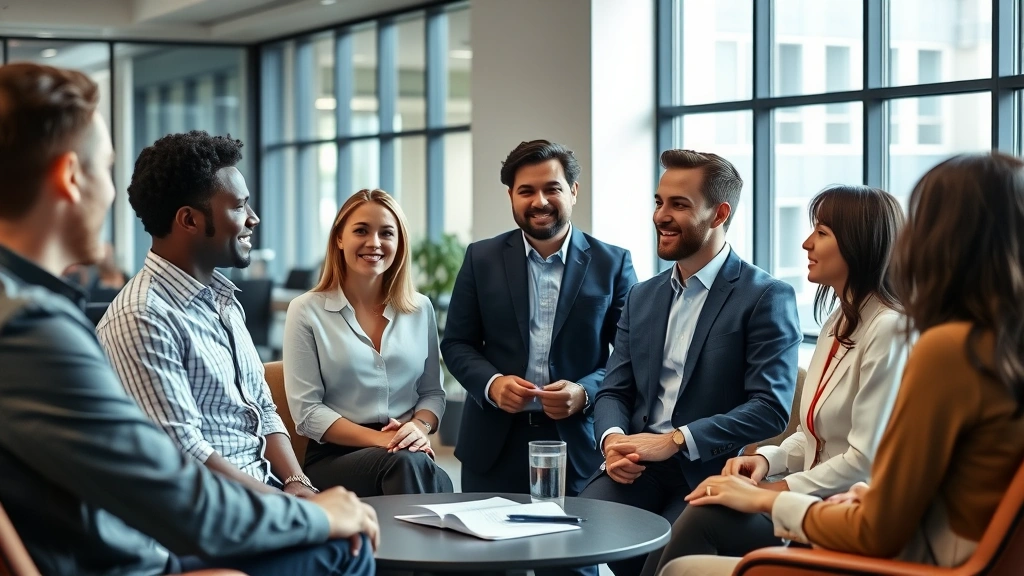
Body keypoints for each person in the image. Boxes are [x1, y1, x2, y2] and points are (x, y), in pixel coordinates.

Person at [0, 62, 376, 576]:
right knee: (345, 551)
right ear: (69, 177)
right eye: (105, 170)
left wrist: (297, 490)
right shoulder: (31, 327)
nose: (114, 195)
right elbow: (179, 496)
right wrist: (310, 514)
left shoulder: (29, 310)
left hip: (157, 537)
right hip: (141, 557)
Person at [664, 152, 1024, 575]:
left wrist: (769, 496)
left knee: (683, 561)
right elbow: (920, 485)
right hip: (911, 541)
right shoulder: (993, 344)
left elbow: (878, 520)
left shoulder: (945, 347)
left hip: (907, 561)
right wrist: (774, 466)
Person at [645, 185, 908, 576]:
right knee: (705, 506)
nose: (806, 243)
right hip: (806, 496)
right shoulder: (838, 322)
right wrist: (765, 461)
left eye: (821, 233)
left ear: (859, 244)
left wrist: (771, 494)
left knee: (704, 514)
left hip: (840, 514)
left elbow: (863, 462)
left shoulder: (888, 330)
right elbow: (811, 434)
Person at [579, 149, 802, 576]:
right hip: (638, 467)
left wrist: (676, 439)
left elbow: (770, 407)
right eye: (659, 201)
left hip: (710, 470)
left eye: (678, 204)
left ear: (719, 214)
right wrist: (613, 441)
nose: (661, 215)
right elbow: (614, 388)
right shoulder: (643, 295)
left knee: (662, 561)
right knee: (587, 523)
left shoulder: (765, 296)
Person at [96, 131, 321, 500]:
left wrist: (299, 485)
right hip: (211, 512)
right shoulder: (142, 317)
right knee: (355, 551)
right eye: (238, 206)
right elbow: (185, 452)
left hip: (263, 495)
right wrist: (289, 508)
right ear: (189, 220)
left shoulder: (225, 300)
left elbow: (262, 407)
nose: (253, 218)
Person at [441, 139, 637, 498]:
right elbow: (456, 343)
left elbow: (630, 355)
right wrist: (492, 384)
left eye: (552, 188)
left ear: (573, 191)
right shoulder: (479, 259)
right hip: (493, 444)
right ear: (511, 196)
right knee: (489, 550)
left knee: (576, 551)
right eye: (526, 191)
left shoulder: (613, 263)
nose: (540, 201)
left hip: (577, 443)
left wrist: (585, 392)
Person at [283, 189, 453, 497]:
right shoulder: (306, 310)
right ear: (339, 238)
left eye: (386, 233)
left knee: (412, 465)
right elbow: (308, 413)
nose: (374, 243)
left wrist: (418, 428)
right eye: (361, 230)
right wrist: (388, 440)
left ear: (399, 243)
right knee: (417, 469)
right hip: (336, 456)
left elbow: (432, 394)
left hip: (407, 449)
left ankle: (401, 546)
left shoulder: (420, 308)